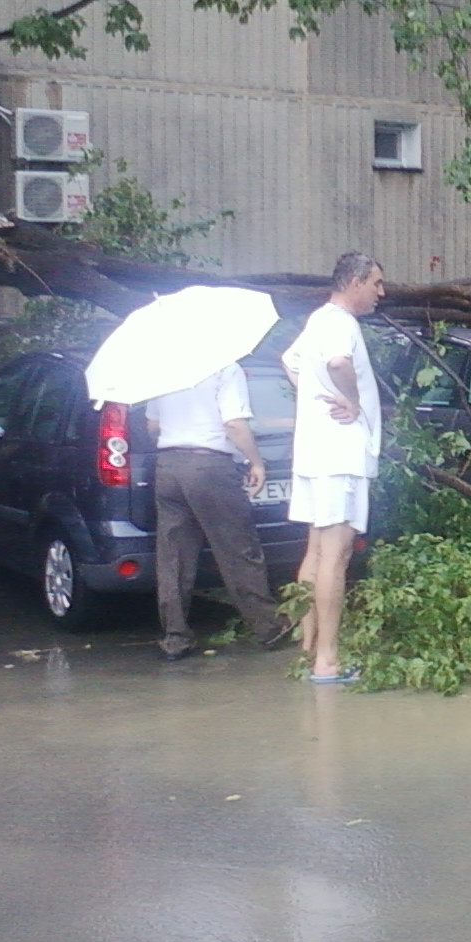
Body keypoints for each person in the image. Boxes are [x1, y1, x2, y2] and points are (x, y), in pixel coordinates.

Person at [281, 252, 386, 683]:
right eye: (376, 283)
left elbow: (290, 363)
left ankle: (309, 651)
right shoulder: (341, 322)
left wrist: (314, 394)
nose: (382, 292)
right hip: (340, 453)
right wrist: (354, 402)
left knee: (316, 552)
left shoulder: (317, 320)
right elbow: (339, 363)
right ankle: (328, 661)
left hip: (312, 452)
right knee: (336, 555)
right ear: (356, 281)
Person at [147, 361, 292, 661]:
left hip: (168, 466)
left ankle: (175, 637)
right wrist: (257, 462)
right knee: (237, 549)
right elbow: (234, 424)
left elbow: (152, 426)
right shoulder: (225, 367)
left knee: (173, 555)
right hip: (210, 465)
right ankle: (269, 627)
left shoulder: (161, 368)